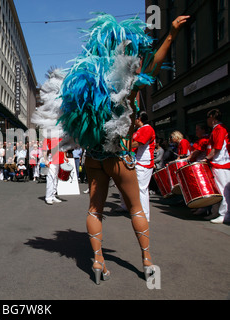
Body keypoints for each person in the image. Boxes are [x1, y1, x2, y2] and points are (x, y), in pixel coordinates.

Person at [58, 14, 189, 284]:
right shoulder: (126, 83)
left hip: (94, 156)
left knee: (95, 209)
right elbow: (154, 67)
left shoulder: (91, 83)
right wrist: (172, 34)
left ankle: (97, 261)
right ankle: (147, 262)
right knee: (136, 209)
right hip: (120, 156)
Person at [119, 111, 155, 221]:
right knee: (124, 184)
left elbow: (139, 143)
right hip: (137, 162)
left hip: (144, 163)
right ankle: (125, 206)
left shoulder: (147, 129)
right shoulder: (138, 130)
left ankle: (144, 216)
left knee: (141, 189)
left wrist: (123, 146)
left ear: (139, 118)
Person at [203, 109, 230, 224]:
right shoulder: (216, 129)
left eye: (208, 118)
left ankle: (225, 214)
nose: (207, 120)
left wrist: (207, 158)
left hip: (221, 164)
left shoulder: (219, 129)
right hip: (217, 164)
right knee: (217, 190)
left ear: (213, 117)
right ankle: (216, 212)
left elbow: (217, 147)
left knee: (223, 190)